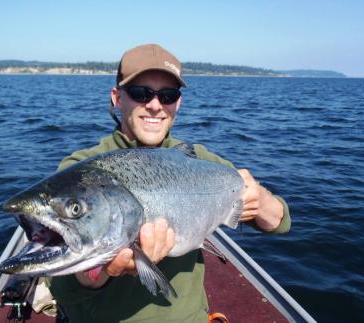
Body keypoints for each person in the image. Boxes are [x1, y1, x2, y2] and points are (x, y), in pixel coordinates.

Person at [48, 44, 291, 322]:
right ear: (117, 98)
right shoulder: (80, 172)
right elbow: (63, 290)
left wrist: (258, 199)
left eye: (167, 95)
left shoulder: (201, 161)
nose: (154, 105)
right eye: (141, 93)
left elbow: (280, 222)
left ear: (178, 103)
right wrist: (101, 270)